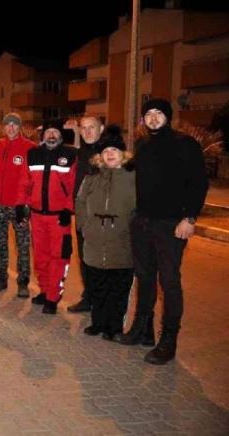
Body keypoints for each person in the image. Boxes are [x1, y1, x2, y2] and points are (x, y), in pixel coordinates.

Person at [118, 98, 208, 365]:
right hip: (143, 222)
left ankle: (168, 340)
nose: (154, 118)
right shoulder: (144, 146)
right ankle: (141, 328)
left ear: (168, 117)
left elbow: (199, 183)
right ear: (143, 119)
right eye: (149, 114)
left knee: (169, 281)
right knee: (144, 277)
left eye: (159, 113)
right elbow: (130, 172)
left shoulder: (184, 144)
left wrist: (189, 218)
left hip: (171, 224)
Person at [75, 125, 135, 341]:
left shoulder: (132, 177)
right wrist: (84, 225)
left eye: (114, 151)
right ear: (100, 156)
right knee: (97, 285)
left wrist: (131, 230)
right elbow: (80, 201)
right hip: (94, 241)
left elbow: (140, 209)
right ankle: (98, 322)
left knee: (118, 288)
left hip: (121, 242)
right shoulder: (92, 176)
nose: (110, 154)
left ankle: (114, 326)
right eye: (106, 151)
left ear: (123, 154)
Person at [18, 118, 78, 315]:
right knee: (41, 257)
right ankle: (44, 291)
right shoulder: (33, 154)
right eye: (48, 132)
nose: (51, 135)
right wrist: (21, 205)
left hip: (58, 218)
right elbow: (24, 182)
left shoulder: (70, 155)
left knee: (58, 258)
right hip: (37, 216)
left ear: (60, 136)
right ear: (42, 136)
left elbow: (74, 187)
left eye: (55, 132)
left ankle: (53, 297)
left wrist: (68, 209)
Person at [0, 112, 35, 297]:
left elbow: (33, 179)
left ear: (20, 127)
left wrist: (25, 203)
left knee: (22, 244)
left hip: (19, 206)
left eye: (15, 125)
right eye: (7, 124)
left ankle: (23, 281)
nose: (11, 128)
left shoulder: (30, 148)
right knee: (0, 243)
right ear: (3, 127)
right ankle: (1, 278)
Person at [68, 115, 105, 314]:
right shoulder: (80, 154)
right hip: (83, 217)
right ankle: (88, 297)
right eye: (84, 128)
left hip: (102, 218)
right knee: (85, 259)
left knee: (101, 260)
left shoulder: (108, 153)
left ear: (101, 129)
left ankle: (101, 301)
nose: (88, 131)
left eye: (92, 127)